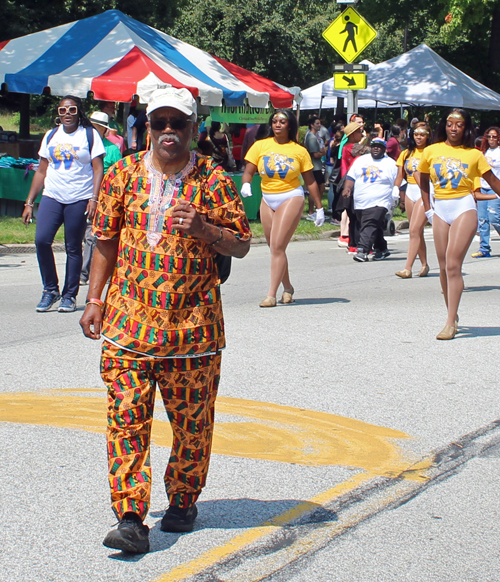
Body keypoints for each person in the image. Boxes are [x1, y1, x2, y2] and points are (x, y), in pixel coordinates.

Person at [79, 87, 251, 554]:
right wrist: (94, 298)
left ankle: (183, 499)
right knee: (125, 420)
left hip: (192, 332)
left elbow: (240, 243)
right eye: (160, 123)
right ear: (147, 127)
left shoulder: (213, 180)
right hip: (128, 326)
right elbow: (107, 241)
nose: (168, 132)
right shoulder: (121, 174)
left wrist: (204, 228)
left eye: (179, 124)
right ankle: (131, 516)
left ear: (194, 130)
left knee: (192, 425)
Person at [418, 108, 500, 340]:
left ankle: (449, 323)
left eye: (459, 124)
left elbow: (493, 181)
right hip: (440, 209)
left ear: (466, 128)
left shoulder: (474, 155)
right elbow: (422, 180)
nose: (454, 128)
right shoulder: (432, 150)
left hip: (464, 206)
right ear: (444, 125)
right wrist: (428, 209)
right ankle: (452, 315)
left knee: (453, 265)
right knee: (443, 267)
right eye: (450, 123)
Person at [21, 95, 105, 313]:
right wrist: (29, 202)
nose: (67, 114)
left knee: (73, 247)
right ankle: (50, 290)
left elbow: (98, 169)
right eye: (63, 110)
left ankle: (69, 295)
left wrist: (94, 199)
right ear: (58, 113)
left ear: (79, 112)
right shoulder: (50, 136)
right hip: (53, 196)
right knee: (41, 241)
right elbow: (41, 171)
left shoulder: (89, 135)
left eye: (72, 110)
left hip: (79, 197)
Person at [242, 109, 324, 307]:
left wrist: (319, 207)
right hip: (267, 198)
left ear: (290, 125)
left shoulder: (298, 150)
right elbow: (249, 170)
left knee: (278, 246)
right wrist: (246, 183)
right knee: (274, 247)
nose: (278, 124)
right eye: (275, 121)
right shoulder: (260, 145)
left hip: (291, 196)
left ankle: (271, 294)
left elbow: (310, 181)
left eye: (283, 121)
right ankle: (287, 287)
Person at [80, 112, 122, 285]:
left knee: (93, 233)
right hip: (80, 193)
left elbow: (119, 175)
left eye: (97, 127)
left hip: (102, 197)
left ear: (104, 130)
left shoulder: (111, 149)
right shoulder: (81, 144)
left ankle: (85, 273)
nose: (93, 130)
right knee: (80, 234)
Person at [343, 138, 398, 262]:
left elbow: (400, 182)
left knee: (370, 223)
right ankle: (381, 248)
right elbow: (351, 176)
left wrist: (402, 199)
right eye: (374, 146)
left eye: (379, 146)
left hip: (381, 200)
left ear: (384, 149)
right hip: (361, 202)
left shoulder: (391, 164)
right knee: (372, 224)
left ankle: (362, 251)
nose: (376, 148)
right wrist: (347, 188)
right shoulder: (361, 161)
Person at [394, 122, 433, 278]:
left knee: (414, 230)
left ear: (428, 136)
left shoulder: (431, 152)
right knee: (416, 231)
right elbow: (400, 175)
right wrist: (395, 190)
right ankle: (424, 264)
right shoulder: (406, 153)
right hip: (410, 189)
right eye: (416, 134)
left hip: (425, 190)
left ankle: (407, 268)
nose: (419, 137)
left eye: (422, 134)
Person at [336, 121, 368, 252]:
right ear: (353, 134)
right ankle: (358, 243)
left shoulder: (345, 147)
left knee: (352, 215)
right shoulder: (353, 147)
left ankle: (353, 243)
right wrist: (368, 139)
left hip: (347, 183)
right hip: (354, 183)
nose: (361, 134)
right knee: (357, 214)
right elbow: (373, 150)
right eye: (360, 132)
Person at [470, 126, 500, 258]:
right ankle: (484, 248)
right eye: (489, 136)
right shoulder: (484, 152)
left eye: (494, 137)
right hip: (483, 187)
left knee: (494, 218)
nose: (491, 139)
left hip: (495, 188)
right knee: (482, 220)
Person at [304, 115, 327, 220]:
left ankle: (316, 209)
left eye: (320, 123)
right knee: (316, 188)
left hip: (317, 166)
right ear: (312, 125)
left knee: (320, 187)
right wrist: (323, 152)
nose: (319, 125)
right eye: (317, 123)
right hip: (314, 167)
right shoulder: (311, 137)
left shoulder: (316, 136)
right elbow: (315, 154)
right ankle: (311, 211)